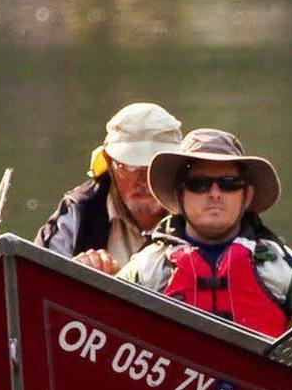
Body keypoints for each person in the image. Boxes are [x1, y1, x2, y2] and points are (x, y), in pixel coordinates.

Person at [116, 128, 292, 337]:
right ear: (179, 194)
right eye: (199, 184)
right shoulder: (145, 272)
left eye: (229, 183)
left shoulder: (286, 271)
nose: (215, 194)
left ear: (247, 195)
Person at [36, 101, 183, 275]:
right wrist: (74, 273)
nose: (143, 180)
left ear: (176, 168)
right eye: (129, 166)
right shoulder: (79, 213)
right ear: (109, 163)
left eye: (154, 167)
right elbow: (38, 278)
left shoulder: (199, 213)